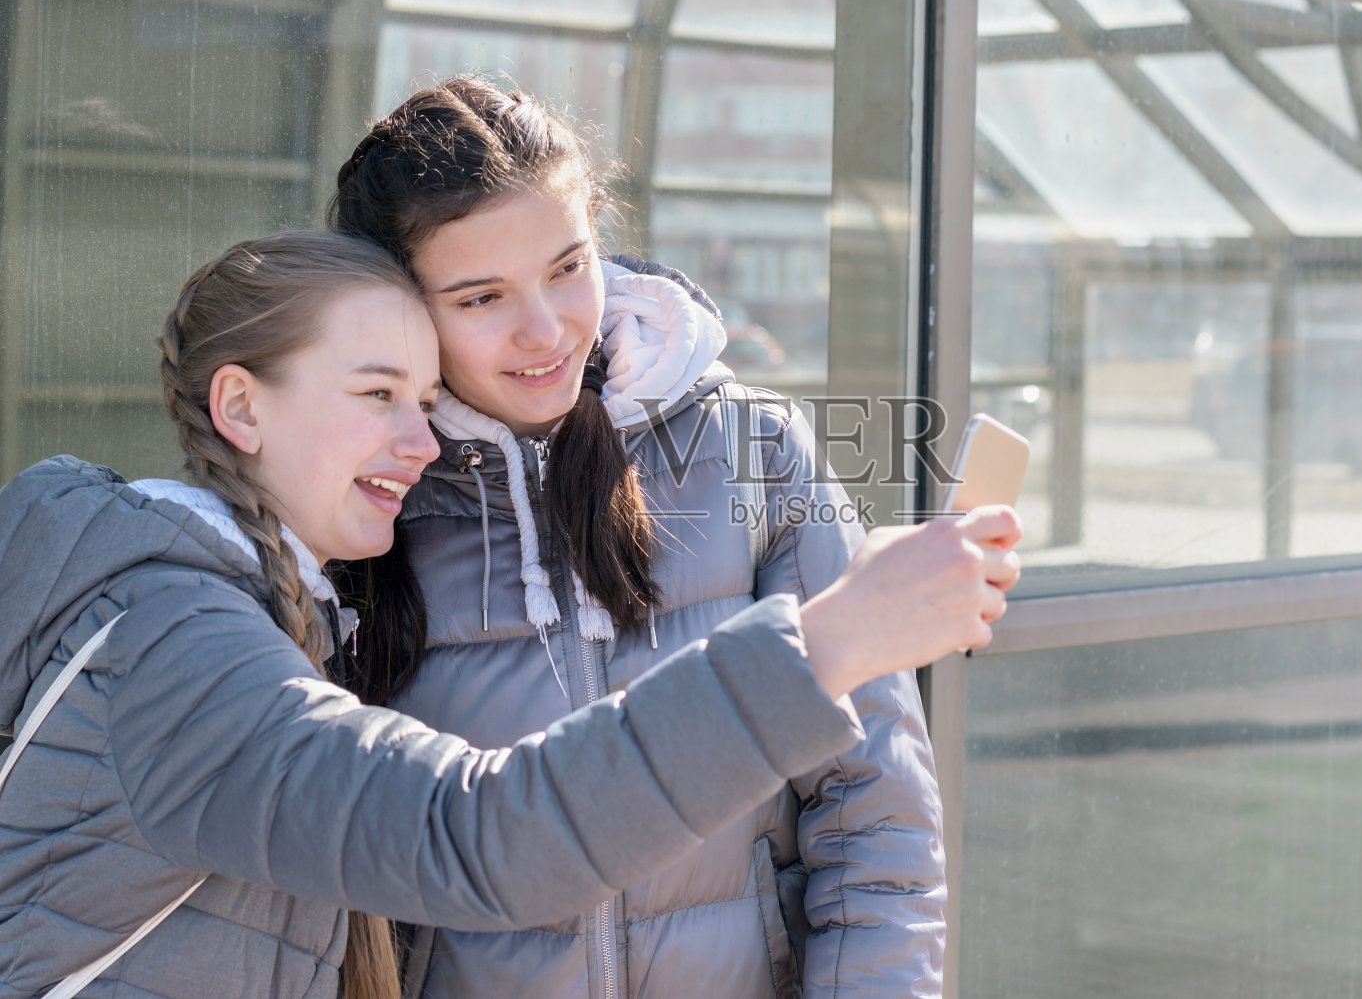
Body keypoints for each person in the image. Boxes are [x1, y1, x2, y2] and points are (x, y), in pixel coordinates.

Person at [0, 231, 1022, 999]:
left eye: (427, 398)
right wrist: (837, 636)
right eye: (376, 394)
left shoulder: (261, 603)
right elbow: (477, 835)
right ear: (241, 407)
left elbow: (875, 826)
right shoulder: (173, 649)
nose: (420, 440)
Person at [327, 76, 947, 999]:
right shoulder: (359, 496)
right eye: (481, 296)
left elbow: (877, 807)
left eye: (567, 268)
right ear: (400, 308)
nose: (545, 331)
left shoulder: (752, 451)